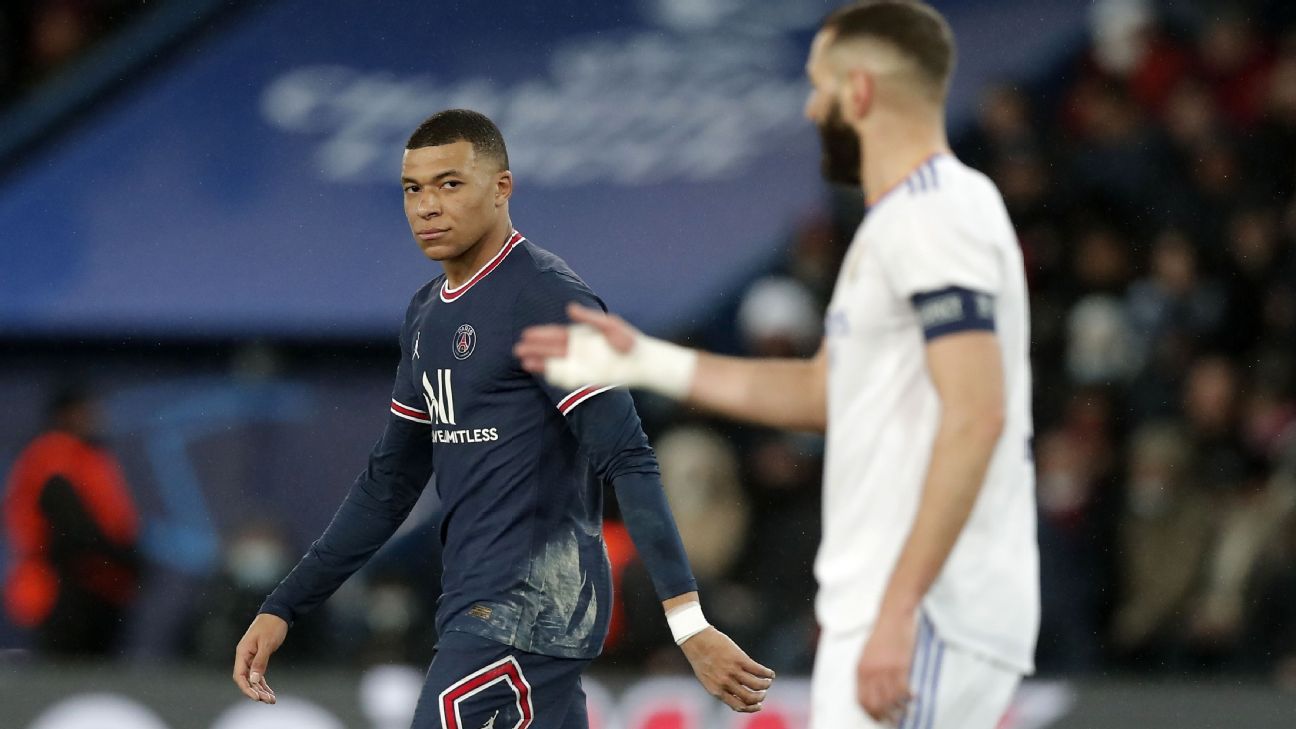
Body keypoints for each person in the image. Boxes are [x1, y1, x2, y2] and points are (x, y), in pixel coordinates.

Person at [514, 3, 1039, 727]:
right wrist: (649, 361)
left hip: (929, 614)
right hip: (904, 611)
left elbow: (977, 414)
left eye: (820, 86)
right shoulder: (904, 222)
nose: (811, 106)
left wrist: (900, 609)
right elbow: (827, 392)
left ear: (860, 91)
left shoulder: (934, 214)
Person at [231, 109, 774, 728]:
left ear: (501, 187)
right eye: (413, 189)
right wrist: (284, 605)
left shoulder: (547, 297)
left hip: (528, 610)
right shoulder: (426, 314)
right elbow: (389, 484)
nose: (427, 206)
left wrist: (688, 621)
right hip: (477, 607)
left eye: (450, 184)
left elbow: (627, 455)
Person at [3, 386, 142, 656]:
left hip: (100, 586)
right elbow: (70, 525)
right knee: (67, 669)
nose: (96, 417)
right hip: (63, 589)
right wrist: (122, 556)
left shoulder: (89, 455)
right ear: (66, 414)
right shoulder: (52, 455)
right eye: (86, 410)